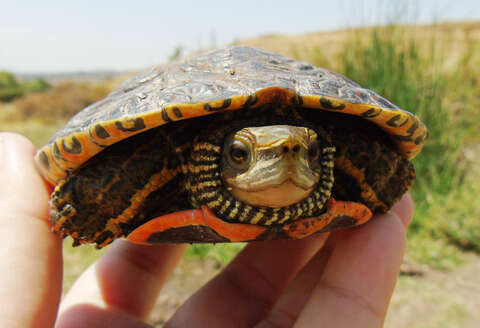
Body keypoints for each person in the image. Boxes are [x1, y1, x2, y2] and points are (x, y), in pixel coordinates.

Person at [0, 132, 414, 328]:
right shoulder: (181, 154)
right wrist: (91, 203)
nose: (288, 156)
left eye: (305, 151)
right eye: (241, 154)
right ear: (216, 157)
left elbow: (388, 159)